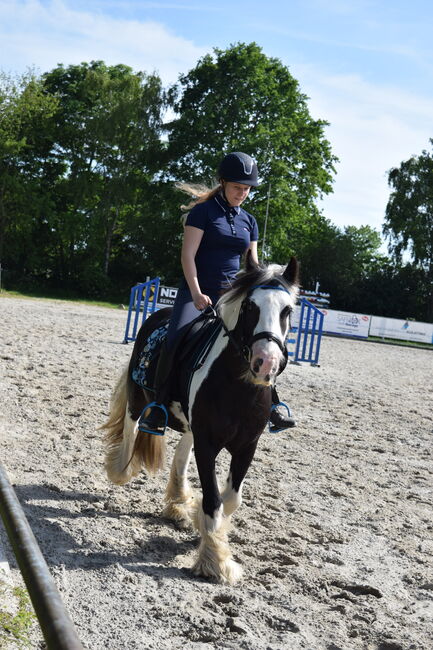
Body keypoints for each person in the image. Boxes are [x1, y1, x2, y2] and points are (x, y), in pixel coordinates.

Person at [138, 151, 295, 435]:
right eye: (237, 187)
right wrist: (197, 293)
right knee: (174, 340)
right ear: (223, 183)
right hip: (195, 292)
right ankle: (158, 408)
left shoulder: (250, 221)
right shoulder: (202, 213)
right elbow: (188, 256)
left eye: (247, 189)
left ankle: (272, 404)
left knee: (260, 341)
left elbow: (253, 266)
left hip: (231, 297)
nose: (242, 193)